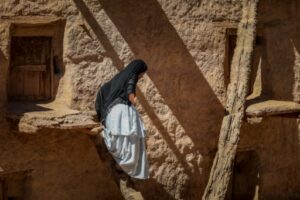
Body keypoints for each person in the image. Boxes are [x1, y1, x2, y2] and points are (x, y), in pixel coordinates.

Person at [95, 59, 149, 179]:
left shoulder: (118, 78)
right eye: (142, 74)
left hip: (112, 114)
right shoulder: (132, 75)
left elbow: (101, 94)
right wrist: (133, 100)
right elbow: (130, 88)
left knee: (120, 141)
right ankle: (128, 172)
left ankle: (122, 169)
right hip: (123, 114)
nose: (141, 76)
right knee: (131, 144)